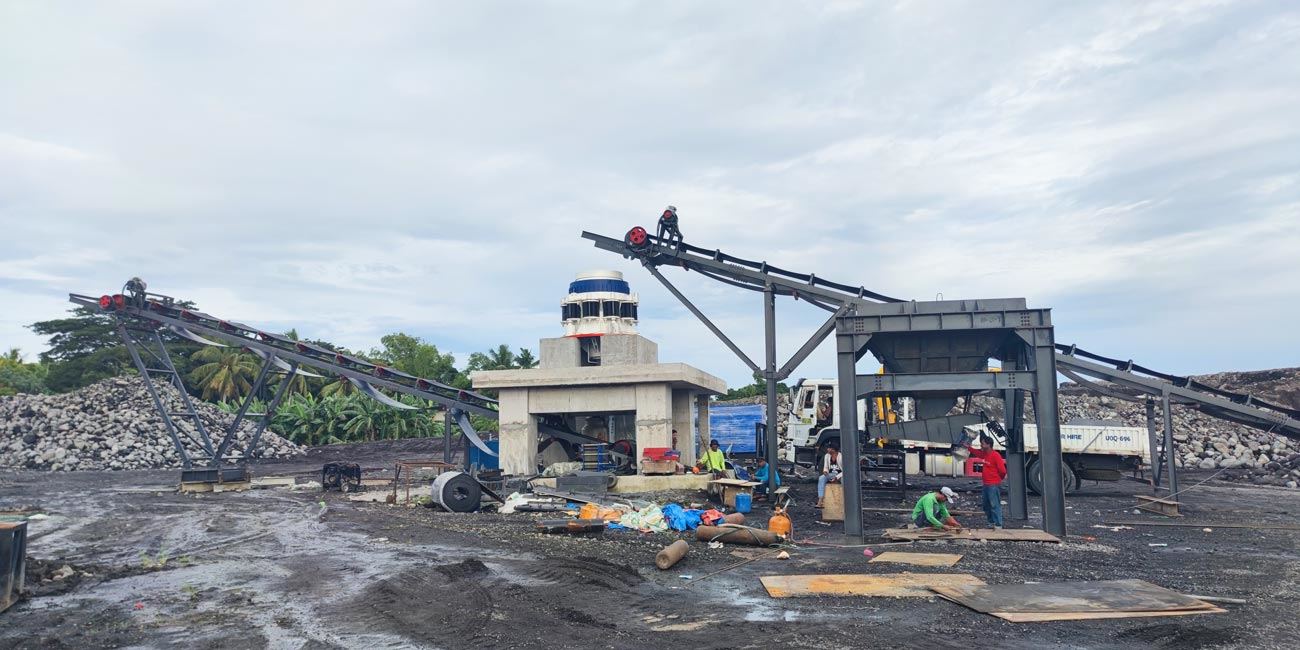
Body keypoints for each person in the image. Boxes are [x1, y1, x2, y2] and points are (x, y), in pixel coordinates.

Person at [967, 433, 1008, 528]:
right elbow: (977, 453)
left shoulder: (995, 455)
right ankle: (991, 522)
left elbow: (1003, 471)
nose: (981, 445)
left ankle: (998, 524)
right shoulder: (985, 454)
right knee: (986, 505)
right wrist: (968, 448)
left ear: (989, 445)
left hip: (993, 484)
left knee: (994, 504)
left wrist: (998, 479)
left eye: (983, 443)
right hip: (986, 484)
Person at [814, 444, 843, 508]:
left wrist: (837, 477)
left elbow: (845, 470)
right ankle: (820, 500)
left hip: (841, 475)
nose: (827, 449)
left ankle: (844, 499)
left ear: (833, 450)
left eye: (829, 448)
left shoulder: (841, 456)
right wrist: (825, 471)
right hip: (831, 474)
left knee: (843, 480)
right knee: (821, 478)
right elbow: (826, 466)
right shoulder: (827, 456)